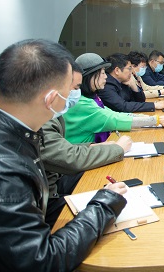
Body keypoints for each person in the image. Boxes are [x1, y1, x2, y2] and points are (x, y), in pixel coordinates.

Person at [0, 39, 127, 271]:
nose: (72, 98)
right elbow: (41, 261)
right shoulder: (1, 167)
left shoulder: (4, 125)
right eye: (70, 91)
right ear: (51, 99)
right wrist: (104, 206)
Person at [42, 62, 133, 227]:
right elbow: (69, 157)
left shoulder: (52, 114)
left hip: (55, 184)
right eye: (73, 88)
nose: (105, 77)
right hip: (50, 200)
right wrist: (117, 149)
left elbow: (61, 148)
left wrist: (93, 146)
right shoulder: (41, 120)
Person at [63, 52, 164, 144]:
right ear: (90, 76)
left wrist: (152, 118)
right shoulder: (81, 103)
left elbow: (115, 114)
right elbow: (115, 119)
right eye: (102, 73)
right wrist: (155, 120)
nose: (105, 76)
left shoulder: (91, 98)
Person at [98, 53, 164, 113]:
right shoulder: (106, 85)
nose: (131, 71)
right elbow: (123, 106)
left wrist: (134, 87)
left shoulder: (123, 81)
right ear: (117, 70)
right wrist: (154, 105)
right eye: (129, 68)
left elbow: (140, 100)